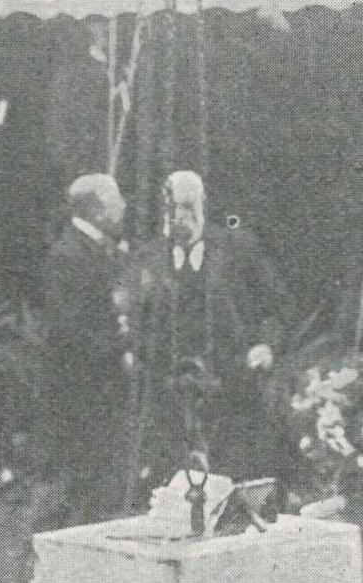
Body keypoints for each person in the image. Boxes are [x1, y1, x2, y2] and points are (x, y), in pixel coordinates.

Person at [131, 169, 289, 487]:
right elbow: (135, 318)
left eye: (191, 206)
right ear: (164, 210)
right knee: (175, 479)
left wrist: (267, 345)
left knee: (237, 472)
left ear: (204, 205)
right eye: (175, 207)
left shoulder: (239, 249)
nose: (183, 216)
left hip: (232, 378)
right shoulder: (147, 258)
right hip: (171, 387)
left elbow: (278, 306)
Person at [32, 171, 134, 522]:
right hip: (79, 394)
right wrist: (126, 345)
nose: (124, 206)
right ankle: (44, 566)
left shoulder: (100, 251)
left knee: (101, 488)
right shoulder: (68, 256)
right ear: (96, 210)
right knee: (76, 487)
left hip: (102, 391)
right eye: (116, 200)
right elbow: (72, 331)